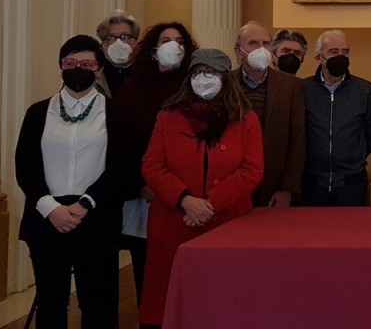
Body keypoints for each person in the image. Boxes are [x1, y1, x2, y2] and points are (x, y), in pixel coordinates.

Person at [139, 49, 263, 328]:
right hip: (175, 220)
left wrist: (210, 205)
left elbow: (252, 170)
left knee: (222, 300)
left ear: (225, 78)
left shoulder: (246, 119)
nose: (203, 78)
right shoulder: (168, 116)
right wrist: (185, 200)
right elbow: (153, 165)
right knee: (171, 301)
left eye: (211, 72)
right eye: (197, 72)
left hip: (227, 222)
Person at [15, 35, 130, 329]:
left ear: (99, 70)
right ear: (61, 66)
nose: (78, 68)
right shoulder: (38, 112)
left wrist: (86, 203)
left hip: (96, 217)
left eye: (86, 64)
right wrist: (50, 207)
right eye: (70, 63)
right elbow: (25, 166)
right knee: (51, 301)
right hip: (47, 218)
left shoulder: (115, 113)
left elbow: (120, 166)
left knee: (98, 303)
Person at [112, 22, 197, 307]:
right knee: (148, 270)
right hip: (144, 194)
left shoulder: (196, 88)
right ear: (152, 50)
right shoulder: (131, 89)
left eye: (179, 41)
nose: (173, 46)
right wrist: (141, 183)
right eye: (166, 40)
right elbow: (121, 143)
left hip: (188, 195)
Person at [231, 22, 307, 207]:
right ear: (238, 51)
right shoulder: (226, 83)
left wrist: (287, 189)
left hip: (274, 184)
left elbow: (298, 140)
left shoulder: (290, 86)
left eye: (266, 43)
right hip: (232, 182)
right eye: (253, 43)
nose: (261, 49)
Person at [300, 30, 371, 206]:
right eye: (334, 52)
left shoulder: (364, 90)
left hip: (352, 183)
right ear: (319, 57)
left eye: (345, 52)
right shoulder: (303, 89)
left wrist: (353, 155)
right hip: (312, 183)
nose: (340, 57)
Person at [95, 10, 139, 97]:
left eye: (125, 37)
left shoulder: (147, 72)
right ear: (102, 44)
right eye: (110, 37)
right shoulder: (94, 74)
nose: (118, 43)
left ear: (136, 41)